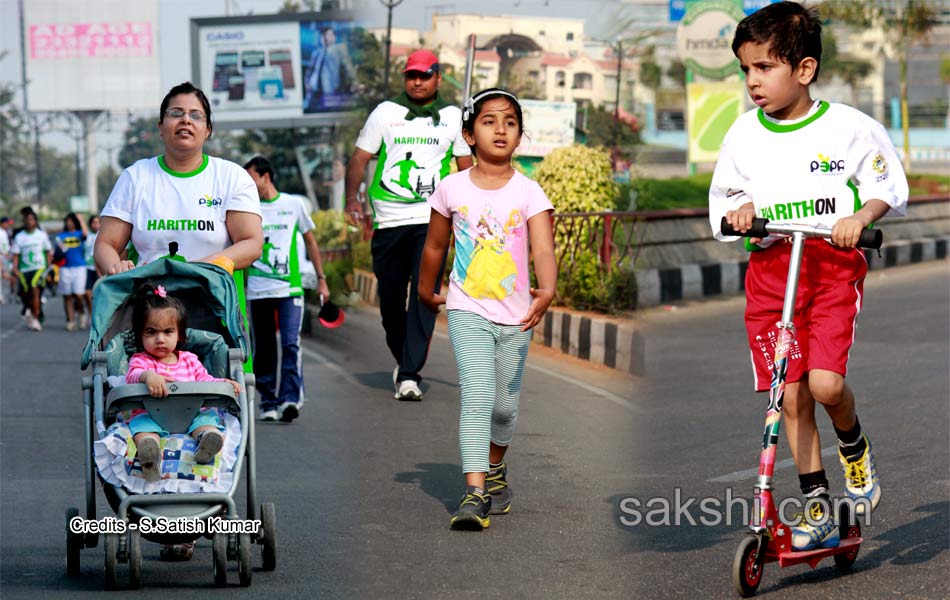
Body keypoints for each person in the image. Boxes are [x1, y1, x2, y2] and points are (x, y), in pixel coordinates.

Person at [710, 1, 907, 551]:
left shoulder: (849, 127)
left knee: (824, 385)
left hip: (829, 267)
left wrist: (861, 218)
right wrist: (742, 215)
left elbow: (884, 185)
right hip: (772, 272)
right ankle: (817, 506)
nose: (752, 81)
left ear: (803, 69)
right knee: (789, 396)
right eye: (745, 69)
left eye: (764, 67)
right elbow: (725, 201)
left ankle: (854, 447)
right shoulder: (744, 135)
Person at [95, 81, 263, 562]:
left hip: (208, 301)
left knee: (210, 400)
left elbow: (250, 240)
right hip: (148, 306)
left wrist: (220, 264)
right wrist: (116, 266)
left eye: (194, 114)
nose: (184, 120)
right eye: (174, 113)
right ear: (161, 126)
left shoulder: (230, 177)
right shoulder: (137, 177)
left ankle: (200, 508)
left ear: (208, 128)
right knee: (127, 397)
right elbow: (107, 244)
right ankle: (149, 506)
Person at [418, 88, 556, 530]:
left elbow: (542, 248)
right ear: (469, 134)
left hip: (517, 316)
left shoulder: (530, 191)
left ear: (519, 137)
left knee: (505, 407)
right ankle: (475, 492)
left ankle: (495, 467)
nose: (500, 128)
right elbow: (435, 246)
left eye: (510, 122)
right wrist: (425, 291)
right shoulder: (451, 188)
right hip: (466, 308)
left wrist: (548, 289)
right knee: (477, 398)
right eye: (489, 120)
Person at [345, 49, 474, 400]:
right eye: (411, 75)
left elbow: (466, 167)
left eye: (425, 75)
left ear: (438, 77)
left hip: (431, 220)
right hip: (388, 221)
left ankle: (410, 373)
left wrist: (472, 211)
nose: (417, 82)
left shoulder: (451, 117)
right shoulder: (386, 113)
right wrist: (351, 199)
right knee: (389, 302)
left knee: (424, 294)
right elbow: (359, 159)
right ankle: (405, 361)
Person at [243, 155, 330, 423]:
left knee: (291, 344)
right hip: (258, 289)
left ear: (265, 177)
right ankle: (268, 400)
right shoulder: (248, 209)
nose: (246, 184)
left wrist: (321, 278)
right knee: (265, 348)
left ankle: (290, 400)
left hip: (289, 289)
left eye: (250, 178)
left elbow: (311, 242)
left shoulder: (293, 204)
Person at [125, 281, 240, 482]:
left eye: (168, 332)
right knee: (141, 427)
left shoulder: (189, 360)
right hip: (151, 415)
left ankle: (206, 442)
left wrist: (223, 383)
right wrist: (147, 376)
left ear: (179, 335)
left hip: (191, 414)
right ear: (140, 335)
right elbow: (131, 376)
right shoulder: (141, 361)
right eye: (151, 332)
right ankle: (149, 454)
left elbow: (205, 380)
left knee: (206, 421)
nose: (160, 339)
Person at [11, 208, 52, 332]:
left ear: (35, 221)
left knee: (35, 289)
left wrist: (48, 268)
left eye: (31, 219)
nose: (29, 222)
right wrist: (15, 268)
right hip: (24, 269)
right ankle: (33, 310)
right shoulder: (19, 236)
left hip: (39, 268)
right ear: (23, 221)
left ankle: (35, 318)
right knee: (24, 293)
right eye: (26, 220)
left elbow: (48, 252)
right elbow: (16, 255)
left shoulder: (41, 235)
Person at [55, 212, 88, 331]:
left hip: (79, 267)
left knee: (79, 294)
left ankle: (81, 312)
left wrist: (81, 219)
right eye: (67, 221)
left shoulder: (80, 234)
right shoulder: (61, 236)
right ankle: (70, 320)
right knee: (67, 295)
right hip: (65, 268)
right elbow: (58, 251)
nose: (69, 223)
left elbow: (85, 234)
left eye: (72, 221)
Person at [82, 214, 100, 324]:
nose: (96, 225)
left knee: (98, 292)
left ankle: (98, 315)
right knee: (87, 292)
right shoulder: (87, 236)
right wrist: (80, 219)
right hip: (87, 268)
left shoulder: (102, 235)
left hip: (98, 267)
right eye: (94, 222)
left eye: (98, 222)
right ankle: (91, 312)